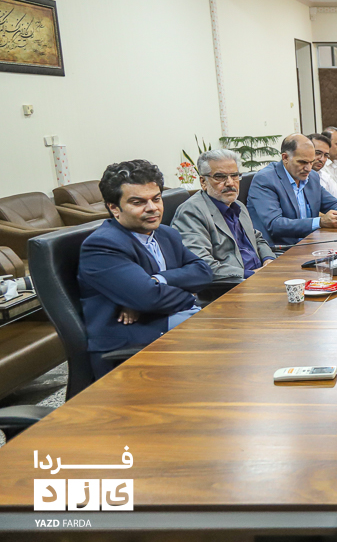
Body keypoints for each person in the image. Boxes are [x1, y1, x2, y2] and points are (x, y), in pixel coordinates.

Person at [78, 160, 212, 377]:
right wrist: (188, 293)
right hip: (136, 340)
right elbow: (149, 298)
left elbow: (203, 272)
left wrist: (158, 280)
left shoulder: (167, 234)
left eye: (156, 199)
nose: (152, 208)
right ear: (114, 208)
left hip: (176, 321)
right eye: (138, 202)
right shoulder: (102, 245)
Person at [172, 149, 275, 282]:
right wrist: (251, 274)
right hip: (232, 285)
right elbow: (202, 265)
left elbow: (256, 238)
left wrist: (268, 260)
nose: (230, 183)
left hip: (260, 276)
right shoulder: (192, 212)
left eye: (234, 175)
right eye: (220, 177)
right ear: (203, 182)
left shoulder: (238, 205)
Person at [247, 134, 337, 246]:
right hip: (280, 249)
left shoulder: (312, 177)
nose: (308, 168)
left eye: (311, 162)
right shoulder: (265, 179)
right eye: (303, 162)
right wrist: (320, 222)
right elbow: (275, 225)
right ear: (285, 158)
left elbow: (332, 203)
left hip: (310, 243)